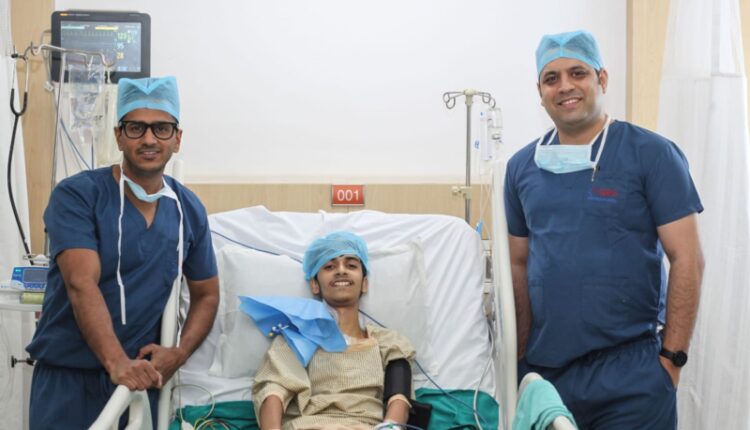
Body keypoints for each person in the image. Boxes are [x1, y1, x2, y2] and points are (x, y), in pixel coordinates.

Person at [504, 30, 705, 429]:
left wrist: (671, 360)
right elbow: (518, 265)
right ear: (540, 92)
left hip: (633, 376)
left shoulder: (651, 154)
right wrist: (522, 359)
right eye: (551, 78)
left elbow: (688, 259)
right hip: (550, 376)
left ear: (602, 79)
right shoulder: (521, 168)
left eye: (577, 73)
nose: (565, 86)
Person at [26, 76, 220, 429]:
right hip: (69, 378)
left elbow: (206, 293)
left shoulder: (188, 209)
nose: (149, 139)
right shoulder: (78, 195)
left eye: (161, 128)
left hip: (140, 382)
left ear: (177, 138)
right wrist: (116, 362)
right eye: (136, 128)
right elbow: (81, 282)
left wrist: (178, 353)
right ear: (118, 135)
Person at [252, 231, 416, 430]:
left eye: (351, 265)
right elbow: (273, 392)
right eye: (329, 266)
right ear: (315, 285)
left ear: (364, 283)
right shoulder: (297, 339)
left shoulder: (389, 343)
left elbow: (399, 398)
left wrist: (390, 427)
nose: (341, 271)